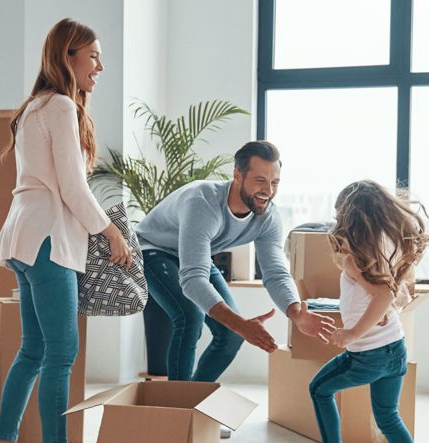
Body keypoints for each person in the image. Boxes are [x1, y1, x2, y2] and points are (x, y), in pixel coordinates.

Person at [0, 18, 131, 443]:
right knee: (62, 352)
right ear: (67, 57)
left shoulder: (34, 107)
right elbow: (72, 187)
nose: (100, 66)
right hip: (49, 238)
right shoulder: (63, 106)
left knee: (33, 350)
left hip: (25, 237)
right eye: (92, 56)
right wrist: (111, 231)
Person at [135, 140, 337, 383]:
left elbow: (275, 272)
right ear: (237, 175)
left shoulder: (268, 217)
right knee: (190, 317)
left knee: (231, 336)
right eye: (260, 180)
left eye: (275, 183)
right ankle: (176, 408)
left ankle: (194, 400)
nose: (268, 191)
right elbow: (193, 280)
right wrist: (242, 324)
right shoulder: (203, 202)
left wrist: (296, 313)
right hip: (154, 250)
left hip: (194, 256)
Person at [302, 180, 429, 443]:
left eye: (338, 216)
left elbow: (384, 294)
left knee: (319, 388)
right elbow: (391, 292)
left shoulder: (356, 258)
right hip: (394, 349)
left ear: (352, 216)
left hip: (368, 354)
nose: (336, 223)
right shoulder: (387, 243)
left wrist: (351, 333)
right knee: (389, 417)